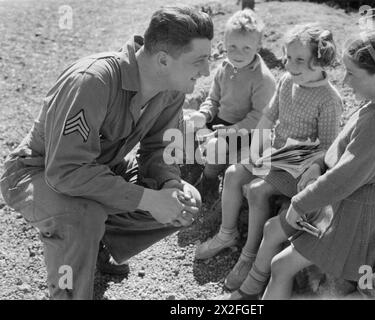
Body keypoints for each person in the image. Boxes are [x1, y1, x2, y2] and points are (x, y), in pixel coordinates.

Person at [0, 6, 213, 300]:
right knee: (80, 217)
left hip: (98, 170)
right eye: (199, 61)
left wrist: (168, 186)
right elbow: (65, 171)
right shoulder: (93, 81)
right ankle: (67, 290)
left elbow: (159, 149)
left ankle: (92, 247)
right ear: (163, 59)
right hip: (36, 173)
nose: (207, 71)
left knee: (187, 201)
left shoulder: (171, 88)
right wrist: (148, 199)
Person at [224, 29, 375, 300]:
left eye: (352, 73)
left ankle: (248, 294)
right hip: (337, 203)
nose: (345, 81)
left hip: (354, 220)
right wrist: (317, 163)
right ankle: (250, 287)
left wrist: (300, 204)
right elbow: (338, 152)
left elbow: (344, 178)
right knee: (271, 229)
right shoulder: (373, 107)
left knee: (281, 265)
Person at [196, 23, 343, 292]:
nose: (290, 65)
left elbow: (328, 148)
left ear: (320, 59)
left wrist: (310, 165)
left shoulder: (329, 99)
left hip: (301, 164)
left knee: (255, 190)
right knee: (233, 173)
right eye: (288, 57)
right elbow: (267, 117)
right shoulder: (287, 81)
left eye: (300, 59)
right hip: (276, 153)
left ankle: (249, 257)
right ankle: (227, 235)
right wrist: (254, 153)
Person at [187, 9, 276, 195]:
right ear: (224, 43)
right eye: (232, 46)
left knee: (215, 146)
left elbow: (259, 117)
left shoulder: (263, 79)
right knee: (186, 123)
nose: (238, 54)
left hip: (246, 131)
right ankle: (189, 169)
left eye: (246, 48)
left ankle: (209, 180)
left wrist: (230, 131)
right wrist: (204, 114)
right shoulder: (224, 68)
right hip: (220, 122)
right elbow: (213, 99)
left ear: (258, 48)